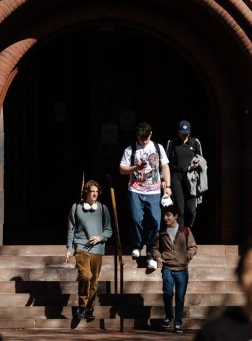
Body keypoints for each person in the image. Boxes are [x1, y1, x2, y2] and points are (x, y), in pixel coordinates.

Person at [119, 121, 171, 269]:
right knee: (137, 219)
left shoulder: (157, 147)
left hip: (154, 190)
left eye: (146, 138)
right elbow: (122, 170)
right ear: (137, 136)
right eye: (142, 139)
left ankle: (150, 254)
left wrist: (167, 186)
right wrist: (136, 167)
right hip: (136, 189)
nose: (144, 141)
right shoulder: (131, 149)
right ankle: (137, 244)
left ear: (151, 134)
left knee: (155, 221)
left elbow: (165, 166)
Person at [66, 179, 113, 321]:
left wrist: (100, 237)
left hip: (97, 249)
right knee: (85, 276)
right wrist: (69, 248)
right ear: (86, 192)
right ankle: (82, 305)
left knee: (94, 280)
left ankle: (90, 307)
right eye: (92, 191)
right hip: (81, 246)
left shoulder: (103, 209)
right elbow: (70, 230)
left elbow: (109, 230)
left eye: (96, 191)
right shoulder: (76, 207)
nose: (94, 194)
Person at [152, 203, 197, 334]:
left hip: (182, 270)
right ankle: (169, 316)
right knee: (167, 294)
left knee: (180, 297)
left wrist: (186, 256)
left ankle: (177, 323)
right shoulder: (161, 233)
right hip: (167, 268)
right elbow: (154, 249)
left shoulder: (185, 231)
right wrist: (158, 257)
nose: (166, 218)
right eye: (164, 215)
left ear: (176, 216)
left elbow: (193, 247)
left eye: (168, 215)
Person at [166, 120, 206, 227]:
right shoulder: (171, 143)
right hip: (176, 177)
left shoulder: (195, 142)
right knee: (180, 208)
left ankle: (187, 229)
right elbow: (166, 163)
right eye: (182, 133)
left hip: (191, 177)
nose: (184, 136)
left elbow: (202, 160)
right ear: (178, 132)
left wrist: (197, 165)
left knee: (191, 209)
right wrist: (165, 182)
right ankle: (181, 236)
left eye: (186, 133)